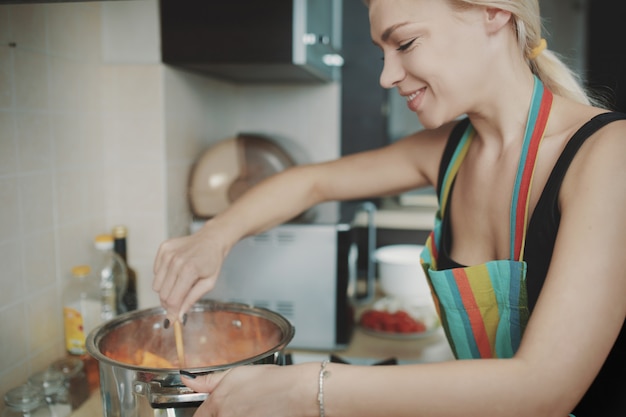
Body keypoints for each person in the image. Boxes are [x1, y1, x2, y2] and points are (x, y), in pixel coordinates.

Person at [152, 0, 626, 415]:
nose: (386, 76)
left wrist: (307, 389)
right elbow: (312, 183)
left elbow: (542, 391)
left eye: (405, 43)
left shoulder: (608, 154)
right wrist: (213, 236)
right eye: (383, 53)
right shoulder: (450, 151)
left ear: (494, 12)